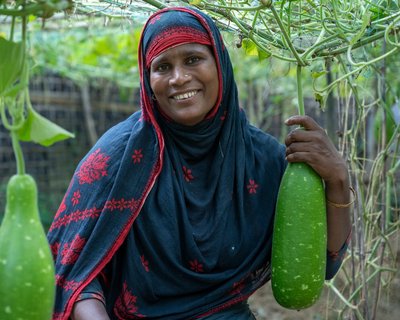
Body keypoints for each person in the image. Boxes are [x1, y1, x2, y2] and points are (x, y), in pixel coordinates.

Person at [47, 6, 352, 320]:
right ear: (147, 79)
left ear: (219, 63)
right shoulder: (118, 157)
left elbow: (321, 264)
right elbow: (74, 275)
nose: (178, 78)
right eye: (162, 66)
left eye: (193, 59)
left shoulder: (262, 160)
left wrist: (338, 180)